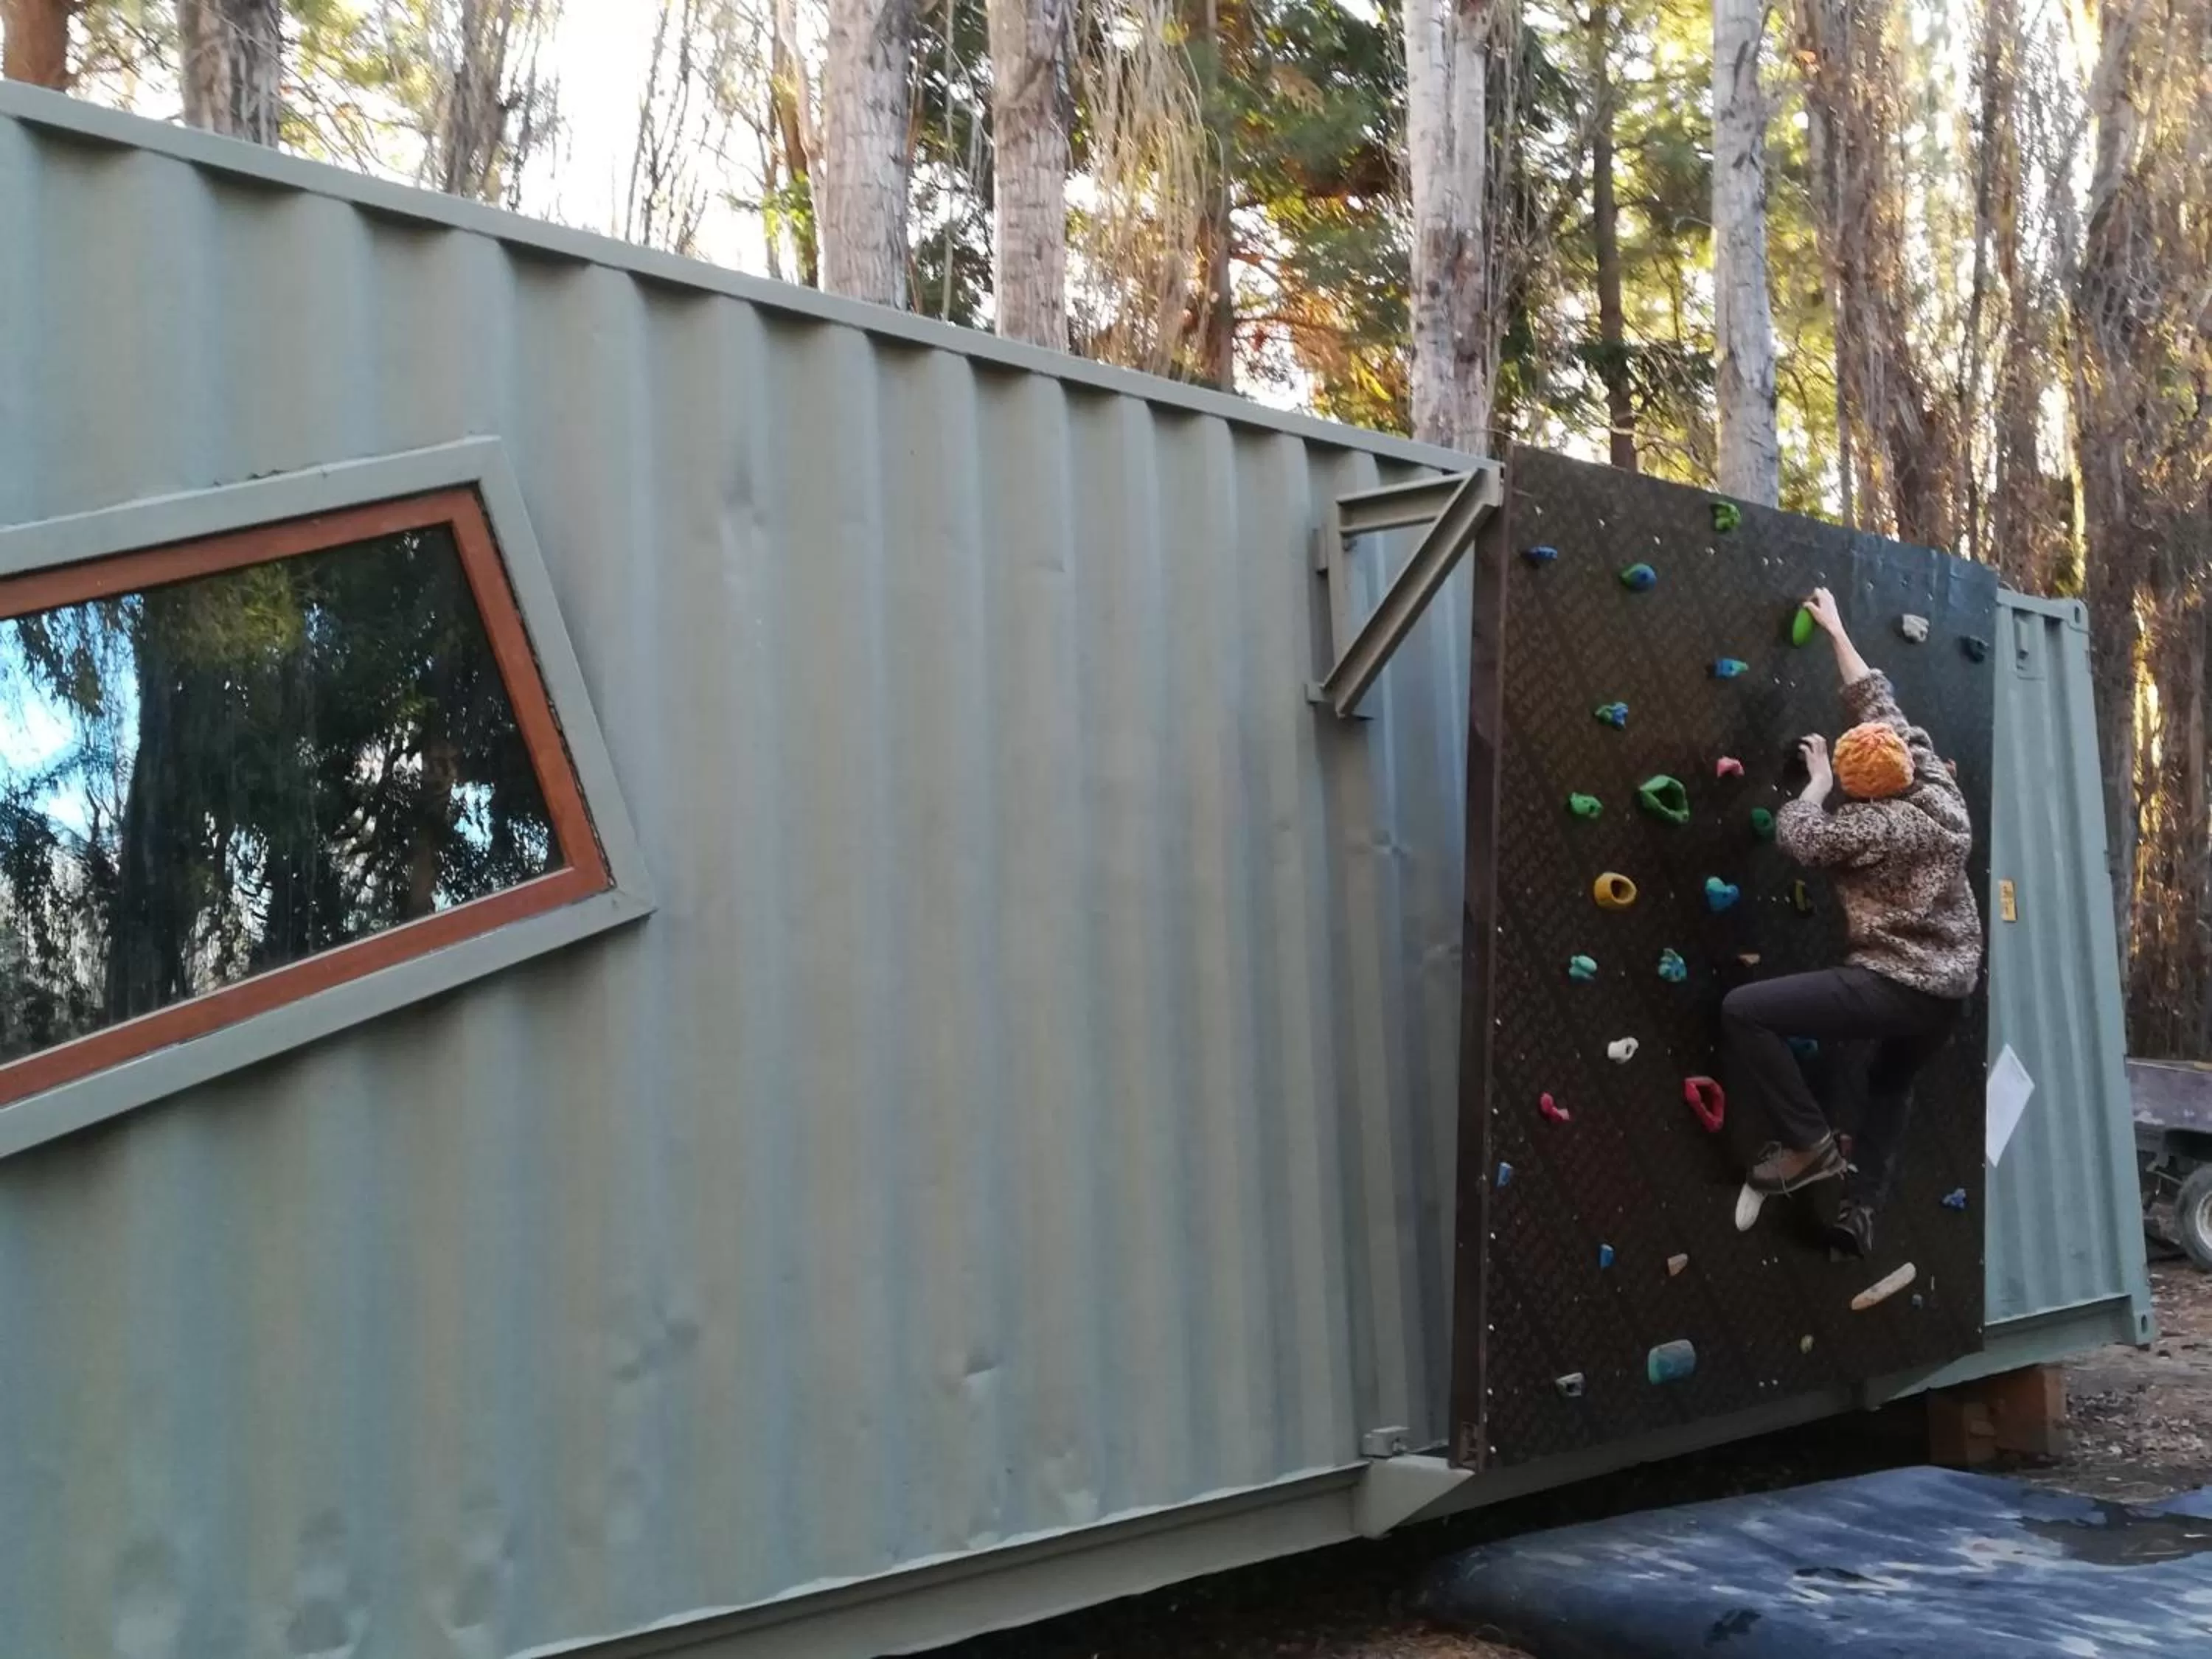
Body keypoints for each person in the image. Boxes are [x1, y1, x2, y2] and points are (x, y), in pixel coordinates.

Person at [1720, 586, 1984, 1257]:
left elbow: (1802, 836)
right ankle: (1861, 1212)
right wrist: (1836, 631)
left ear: (1856, 786)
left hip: (1889, 986)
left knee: (1745, 1011)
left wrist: (1813, 786)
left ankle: (1809, 1144)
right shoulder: (1940, 795)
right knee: (1891, 1085)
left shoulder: (1861, 826)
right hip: (1947, 998)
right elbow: (1878, 701)